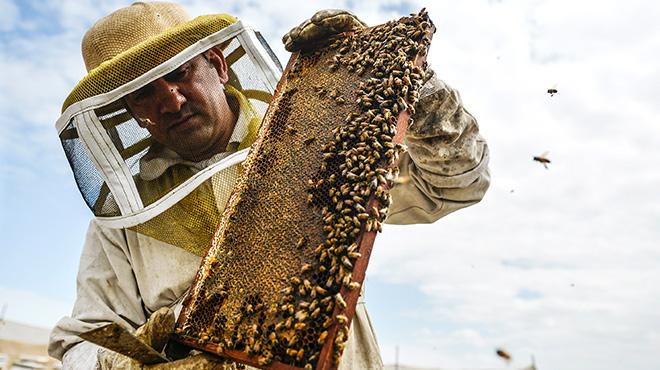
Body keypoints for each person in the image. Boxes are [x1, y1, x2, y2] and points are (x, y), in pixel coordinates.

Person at [48, 3, 490, 370]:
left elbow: (458, 183)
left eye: (179, 73)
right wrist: (128, 361)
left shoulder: (317, 137)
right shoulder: (123, 217)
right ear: (128, 112)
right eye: (142, 93)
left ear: (217, 65)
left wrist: (403, 80)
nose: (170, 101)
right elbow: (81, 343)